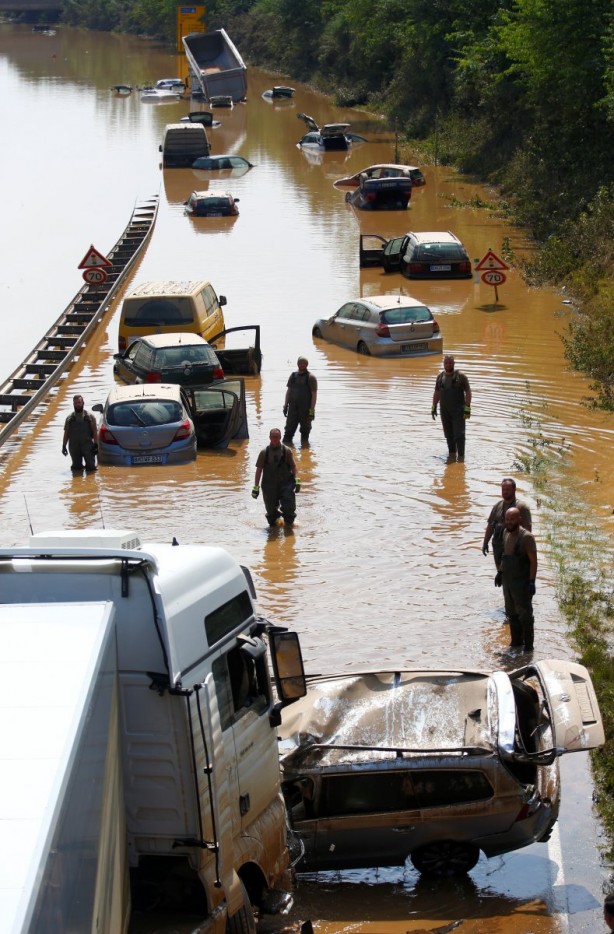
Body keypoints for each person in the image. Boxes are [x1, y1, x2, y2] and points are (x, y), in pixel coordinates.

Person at [496, 507, 538, 651]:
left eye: (512, 519)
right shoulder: (506, 533)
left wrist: (532, 582)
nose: (509, 522)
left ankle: (529, 648)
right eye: (507, 519)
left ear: (519, 520)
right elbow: (505, 555)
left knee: (525, 616)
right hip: (508, 583)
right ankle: (516, 643)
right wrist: (500, 572)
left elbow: (533, 561)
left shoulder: (527, 537)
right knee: (511, 614)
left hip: (522, 583)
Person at [252, 428, 300, 526]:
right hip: (269, 486)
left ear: (280, 437)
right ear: (269, 438)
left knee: (289, 508)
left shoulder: (287, 451)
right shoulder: (264, 453)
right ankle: (274, 529)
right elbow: (259, 470)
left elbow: (293, 466)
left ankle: (289, 528)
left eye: (277, 437)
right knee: (271, 512)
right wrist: (256, 487)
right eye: (273, 437)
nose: (275, 439)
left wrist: (297, 480)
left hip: (286, 484)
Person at [482, 478, 532, 567]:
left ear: (514, 490)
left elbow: (528, 529)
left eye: (508, 489)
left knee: (512, 574)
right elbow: (490, 525)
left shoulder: (521, 507)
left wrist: (525, 549)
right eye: (503, 489)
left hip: (514, 548)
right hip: (498, 547)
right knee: (500, 575)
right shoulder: (497, 506)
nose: (505, 492)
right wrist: (485, 543)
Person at [431, 355, 471, 461]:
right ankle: (452, 456)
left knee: (459, 435)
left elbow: (468, 391)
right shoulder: (440, 377)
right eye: (446, 363)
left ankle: (461, 458)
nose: (448, 365)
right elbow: (437, 392)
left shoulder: (461, 377)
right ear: (444, 364)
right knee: (448, 435)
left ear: (454, 363)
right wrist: (434, 406)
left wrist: (467, 407)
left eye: (450, 363)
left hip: (458, 411)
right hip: (444, 411)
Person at [283, 356, 317, 446]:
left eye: (304, 363)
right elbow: (289, 391)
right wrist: (285, 405)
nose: (302, 365)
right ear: (297, 364)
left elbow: (314, 394)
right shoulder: (293, 376)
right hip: (293, 409)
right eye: (301, 363)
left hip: (306, 410)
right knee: (287, 435)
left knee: (305, 434)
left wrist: (312, 411)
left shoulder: (311, 377)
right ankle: (286, 452)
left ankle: (305, 454)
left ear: (307, 365)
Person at [62, 394, 98, 472]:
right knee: (76, 470)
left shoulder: (90, 417)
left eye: (79, 402)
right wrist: (64, 446)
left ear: (83, 403)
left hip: (88, 446)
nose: (78, 405)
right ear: (73, 404)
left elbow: (95, 431)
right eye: (76, 403)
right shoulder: (69, 418)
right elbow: (66, 433)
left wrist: (96, 445)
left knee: (91, 469)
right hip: (74, 447)